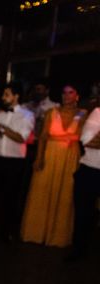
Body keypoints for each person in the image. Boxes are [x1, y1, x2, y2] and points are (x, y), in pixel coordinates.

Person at [21, 85, 86, 247]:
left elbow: (84, 136)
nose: (66, 95)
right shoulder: (52, 112)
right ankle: (36, 232)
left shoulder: (83, 114)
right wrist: (39, 157)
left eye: (70, 92)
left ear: (77, 95)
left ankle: (58, 236)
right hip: (50, 155)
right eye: (64, 92)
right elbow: (42, 137)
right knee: (43, 190)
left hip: (70, 157)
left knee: (65, 193)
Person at [0, 83, 35, 240]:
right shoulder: (0, 114)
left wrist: (2, 129)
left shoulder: (27, 115)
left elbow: (21, 138)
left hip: (15, 161)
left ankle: (6, 233)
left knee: (10, 197)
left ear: (16, 96)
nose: (3, 97)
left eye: (6, 94)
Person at [67, 106, 100, 261]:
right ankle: (78, 250)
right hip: (90, 170)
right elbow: (86, 140)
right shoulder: (98, 113)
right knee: (82, 214)